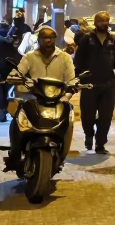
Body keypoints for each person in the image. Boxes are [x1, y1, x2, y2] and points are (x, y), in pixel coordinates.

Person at [7, 26, 77, 167]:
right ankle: (14, 153)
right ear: (38, 39)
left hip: (58, 100)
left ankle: (62, 151)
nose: (48, 41)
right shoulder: (30, 56)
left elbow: (72, 79)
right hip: (34, 98)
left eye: (51, 38)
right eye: (44, 38)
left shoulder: (65, 58)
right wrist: (13, 76)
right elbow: (19, 71)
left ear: (55, 40)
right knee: (18, 118)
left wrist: (68, 94)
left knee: (69, 120)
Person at [73, 11, 115, 154]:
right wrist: (78, 78)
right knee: (87, 115)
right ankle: (89, 134)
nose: (104, 23)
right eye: (101, 21)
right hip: (89, 83)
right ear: (95, 23)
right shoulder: (86, 39)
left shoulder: (113, 39)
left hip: (107, 83)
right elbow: (78, 61)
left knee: (106, 116)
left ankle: (100, 144)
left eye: (106, 20)